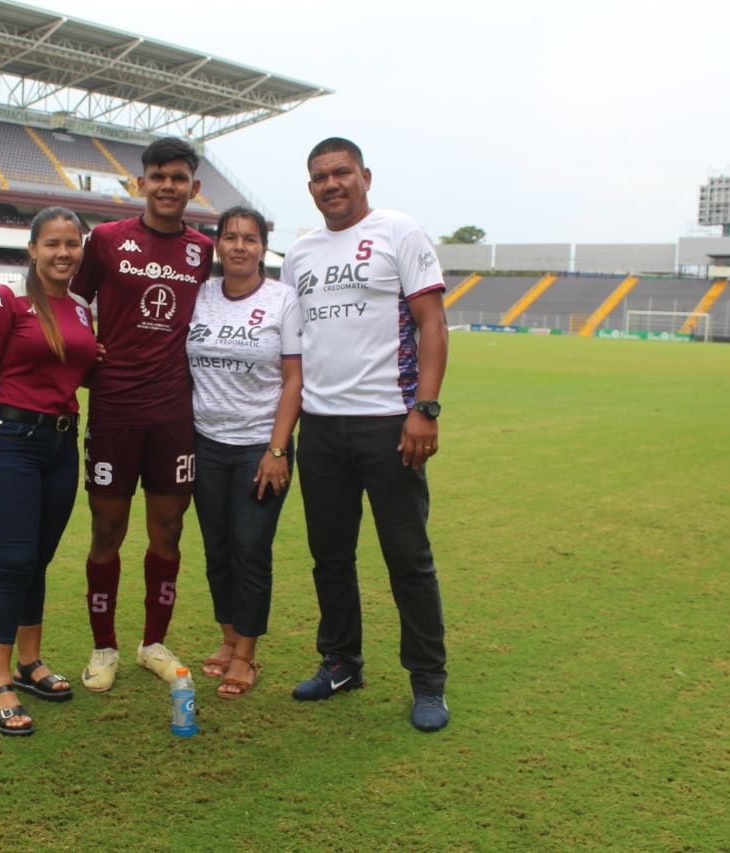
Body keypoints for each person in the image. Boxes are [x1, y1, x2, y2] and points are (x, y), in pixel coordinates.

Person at [280, 137, 451, 732]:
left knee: (408, 558)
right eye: (321, 176)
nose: (332, 184)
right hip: (322, 426)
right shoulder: (298, 254)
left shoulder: (398, 231)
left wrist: (423, 409)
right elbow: (295, 351)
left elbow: (432, 323)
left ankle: (428, 682)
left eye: (342, 173)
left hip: (389, 422)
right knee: (330, 556)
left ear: (365, 176)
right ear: (310, 187)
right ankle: (341, 661)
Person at [69, 137, 214, 691]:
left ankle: (152, 642)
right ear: (141, 184)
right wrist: (85, 359)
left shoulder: (202, 249)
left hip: (174, 411)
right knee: (107, 527)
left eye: (178, 177)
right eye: (157, 176)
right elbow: (74, 304)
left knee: (169, 531)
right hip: (113, 409)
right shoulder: (106, 239)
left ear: (193, 187)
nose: (168, 186)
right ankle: (102, 647)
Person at [0, 206, 97, 736]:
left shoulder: (82, 308)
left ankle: (31, 662)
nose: (63, 253)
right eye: (53, 244)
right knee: (14, 559)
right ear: (33, 250)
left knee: (38, 559)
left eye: (72, 243)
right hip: (12, 441)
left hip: (62, 445)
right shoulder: (6, 301)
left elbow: (74, 366)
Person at [187, 206, 302, 699]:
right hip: (205, 442)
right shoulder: (201, 295)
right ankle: (228, 637)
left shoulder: (283, 299)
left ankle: (247, 655)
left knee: (250, 550)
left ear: (262, 247)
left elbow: (295, 378)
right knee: (217, 550)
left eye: (250, 239)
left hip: (260, 444)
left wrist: (277, 448)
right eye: (231, 237)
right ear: (218, 244)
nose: (239, 246)